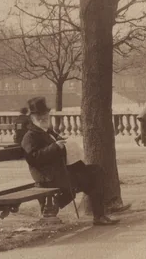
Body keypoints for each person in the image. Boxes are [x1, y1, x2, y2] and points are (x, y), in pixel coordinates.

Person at [21, 96, 119, 226]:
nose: (43, 118)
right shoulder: (30, 136)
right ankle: (58, 205)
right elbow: (33, 159)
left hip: (60, 171)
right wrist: (55, 147)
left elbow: (57, 146)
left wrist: (66, 144)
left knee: (96, 171)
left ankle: (99, 214)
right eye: (39, 115)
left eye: (45, 114)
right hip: (48, 177)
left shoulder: (47, 131)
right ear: (32, 118)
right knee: (88, 177)